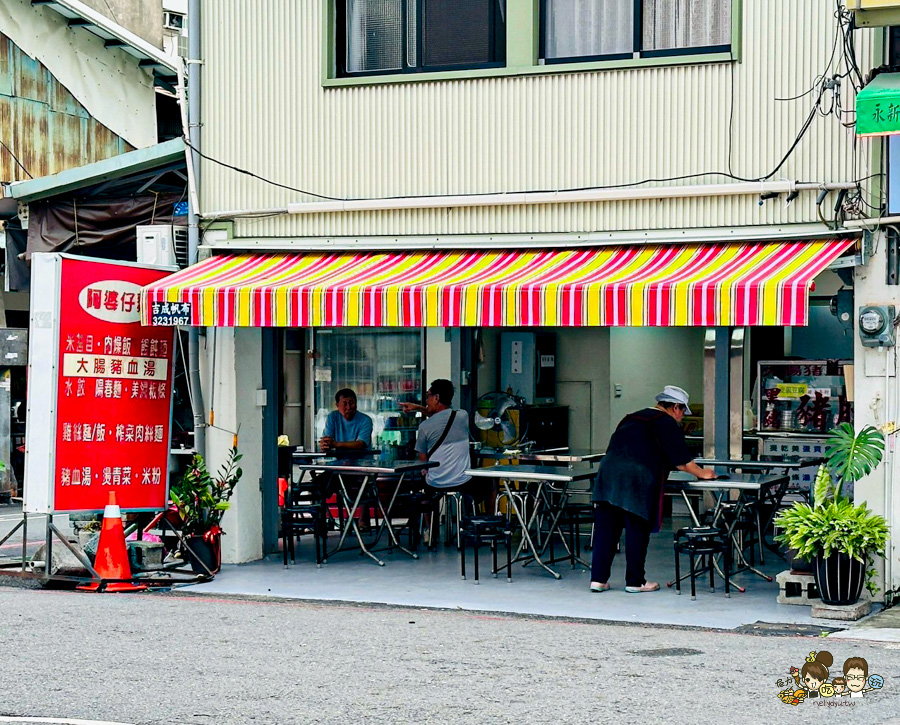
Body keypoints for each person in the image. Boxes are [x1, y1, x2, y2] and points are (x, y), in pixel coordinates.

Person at [590, 385, 716, 594]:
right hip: (636, 480)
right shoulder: (665, 422)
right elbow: (683, 462)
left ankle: (598, 580)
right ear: (676, 407)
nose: (682, 417)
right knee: (637, 527)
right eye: (683, 411)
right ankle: (635, 582)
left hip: (607, 476)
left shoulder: (632, 417)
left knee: (607, 529)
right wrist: (704, 473)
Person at [401, 379, 479, 544]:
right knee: (490, 485)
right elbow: (442, 416)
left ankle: (430, 529)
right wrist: (422, 409)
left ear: (436, 398)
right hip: (463, 482)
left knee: (423, 483)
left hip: (435, 483)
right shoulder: (463, 416)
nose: (426, 400)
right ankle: (486, 526)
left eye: (428, 396)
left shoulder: (424, 427)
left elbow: (423, 460)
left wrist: (420, 409)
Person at [319, 388, 373, 454]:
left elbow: (360, 444)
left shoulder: (365, 420)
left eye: (351, 403)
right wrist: (324, 444)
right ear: (337, 405)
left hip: (361, 461)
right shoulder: (332, 417)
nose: (349, 407)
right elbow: (327, 441)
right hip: (337, 461)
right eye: (345, 404)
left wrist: (336, 444)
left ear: (356, 403)